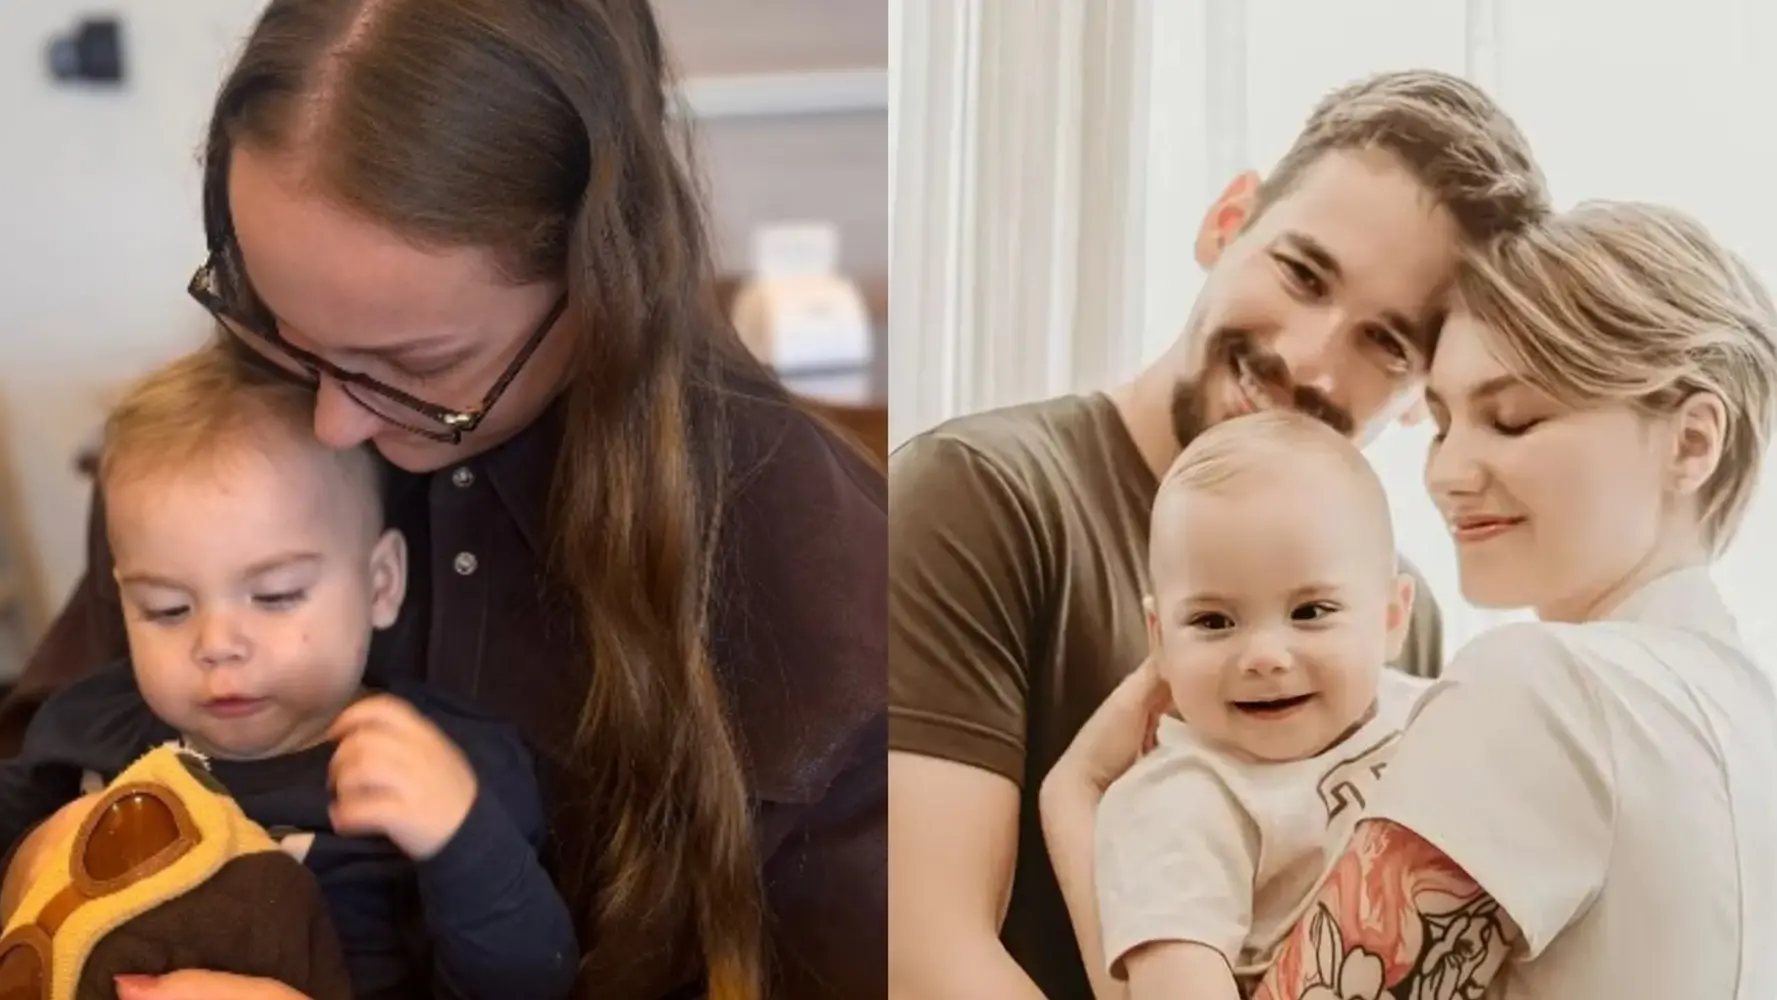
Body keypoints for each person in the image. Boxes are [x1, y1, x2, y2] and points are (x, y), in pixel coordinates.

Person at [0, 1, 886, 998]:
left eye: (412, 365)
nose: (331, 420)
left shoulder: (820, 581)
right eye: (280, 323)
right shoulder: (218, 452)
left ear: (605, 273)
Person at [889, 68, 1548, 999]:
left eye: (1384, 343)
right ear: (1227, 219)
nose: (1309, 359)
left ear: (1417, 398)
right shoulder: (984, 497)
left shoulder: (1399, 615)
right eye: (1302, 273)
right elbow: (925, 949)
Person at [1049, 201, 1777, 999]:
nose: (1447, 473)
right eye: (1439, 424)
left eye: (1510, 419)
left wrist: (1075, 809)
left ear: (1692, 440)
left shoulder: (1538, 689)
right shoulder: (1747, 711)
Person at [0, 347, 577, 1000]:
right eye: (165, 608)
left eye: (274, 596)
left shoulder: (441, 766)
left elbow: (529, 983)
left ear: (380, 584)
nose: (216, 645)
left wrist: (463, 837)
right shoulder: (91, 723)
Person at [1079, 410, 1429, 1000]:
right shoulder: (1180, 802)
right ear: (1159, 639)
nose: (1264, 656)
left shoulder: (1433, 716)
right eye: (1214, 621)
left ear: (1392, 617)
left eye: (1310, 612)